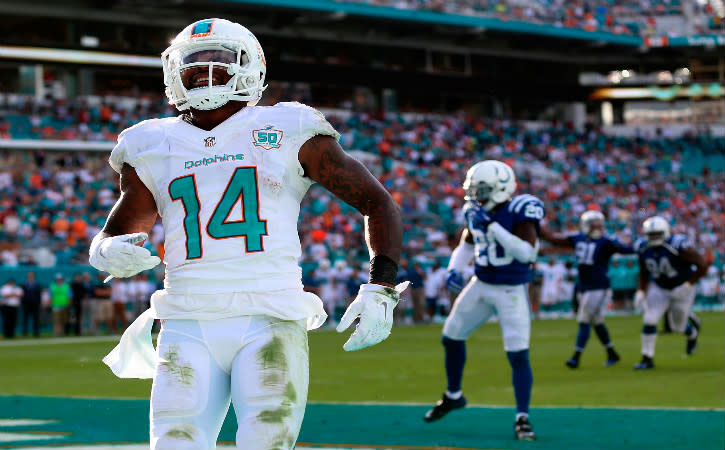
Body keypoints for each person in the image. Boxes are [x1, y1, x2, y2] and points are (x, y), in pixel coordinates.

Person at [89, 18, 405, 450]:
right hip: (185, 317)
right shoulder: (151, 143)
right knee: (174, 443)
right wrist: (104, 250)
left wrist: (381, 286)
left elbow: (377, 202)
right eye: (192, 63)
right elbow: (123, 228)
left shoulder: (288, 128)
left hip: (269, 316)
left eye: (217, 60)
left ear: (251, 67)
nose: (203, 72)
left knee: (265, 442)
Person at [423, 160, 543, 441]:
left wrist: (493, 227)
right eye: (474, 189)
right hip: (481, 284)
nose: (477, 195)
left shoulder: (519, 210)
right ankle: (454, 395)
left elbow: (528, 253)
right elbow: (467, 244)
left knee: (517, 355)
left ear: (501, 188)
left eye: (483, 189)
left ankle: (522, 417)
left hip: (511, 290)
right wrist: (454, 268)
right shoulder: (475, 212)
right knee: (451, 337)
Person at [539, 210, 634, 368]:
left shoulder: (607, 241)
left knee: (584, 320)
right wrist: (537, 226)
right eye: (593, 224)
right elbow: (553, 239)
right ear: (585, 225)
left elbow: (626, 250)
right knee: (596, 322)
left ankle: (575, 357)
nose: (597, 227)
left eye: (599, 224)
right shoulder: (578, 238)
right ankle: (612, 353)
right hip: (584, 286)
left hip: (598, 286)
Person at [633, 216, 709, 370]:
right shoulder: (642, 247)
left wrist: (687, 285)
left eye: (657, 234)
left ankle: (692, 333)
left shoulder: (677, 245)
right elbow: (643, 271)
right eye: (651, 234)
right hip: (659, 287)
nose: (654, 237)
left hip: (682, 287)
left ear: (666, 232)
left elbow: (702, 265)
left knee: (678, 327)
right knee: (649, 319)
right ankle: (647, 358)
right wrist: (641, 290)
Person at [21, 272, 43, 337]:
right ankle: (24, 333)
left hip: (35, 304)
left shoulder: (37, 284)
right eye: (29, 276)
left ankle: (36, 333)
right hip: (26, 304)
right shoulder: (24, 284)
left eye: (32, 276)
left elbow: (39, 295)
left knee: (36, 319)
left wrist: (39, 303)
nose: (30, 277)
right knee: (25, 319)